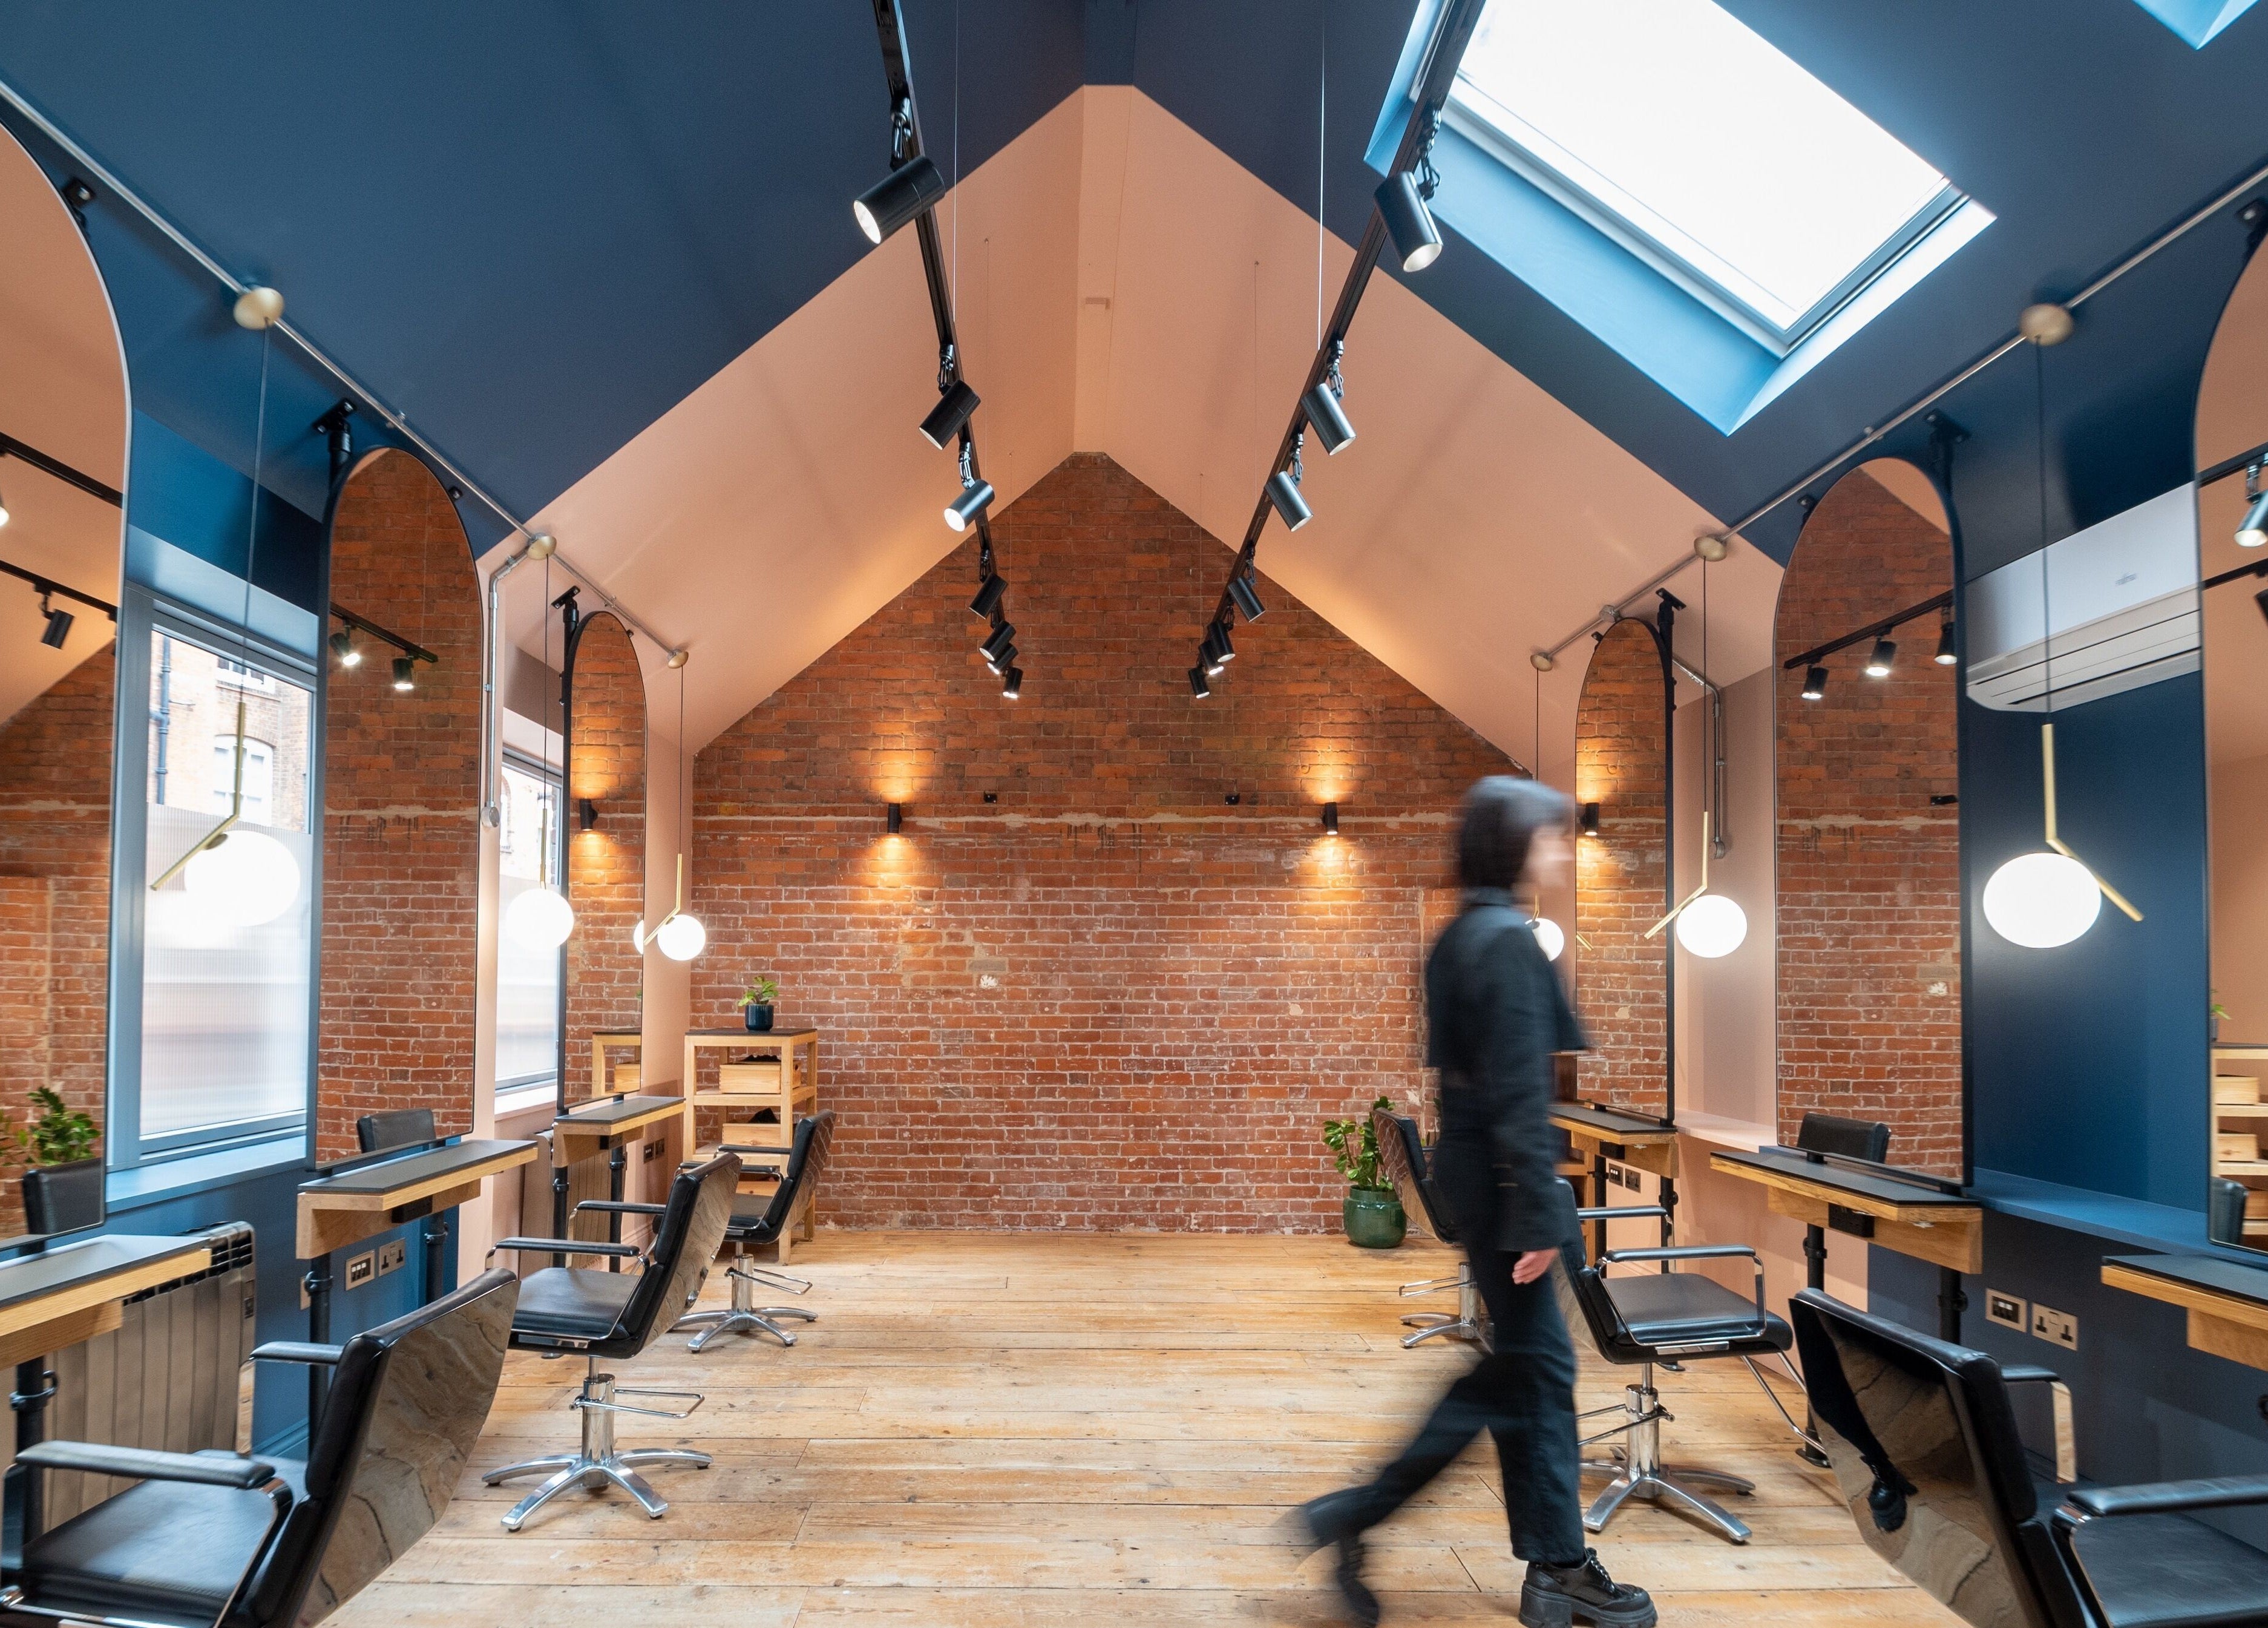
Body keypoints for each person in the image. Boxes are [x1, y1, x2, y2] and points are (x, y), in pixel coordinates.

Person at [1295, 777, 1654, 1628]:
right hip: (1507, 1193)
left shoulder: (1462, 932)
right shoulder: (1504, 940)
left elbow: (1467, 1084)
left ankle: (1546, 1562)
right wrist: (1535, 1208)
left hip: (1484, 1182)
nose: (1561, 849)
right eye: (1551, 836)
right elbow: (1515, 1089)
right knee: (1529, 1375)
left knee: (1522, 1377)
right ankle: (1386, 1522)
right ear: (1513, 842)